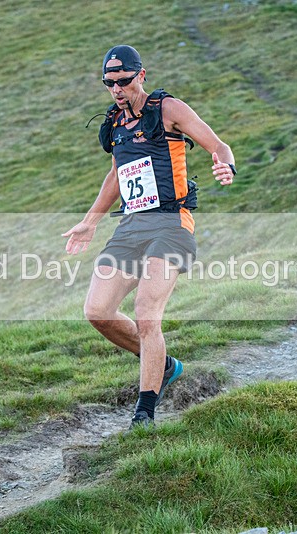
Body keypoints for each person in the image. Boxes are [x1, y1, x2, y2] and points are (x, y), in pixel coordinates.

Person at [62, 45, 235, 429]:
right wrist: (90, 222)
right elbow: (115, 175)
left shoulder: (167, 109)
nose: (117, 90)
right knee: (98, 312)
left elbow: (218, 145)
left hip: (172, 223)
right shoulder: (114, 123)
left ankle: (145, 412)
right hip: (131, 226)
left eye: (123, 82)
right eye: (110, 84)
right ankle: (165, 366)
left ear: (142, 75)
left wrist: (225, 165)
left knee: (146, 315)